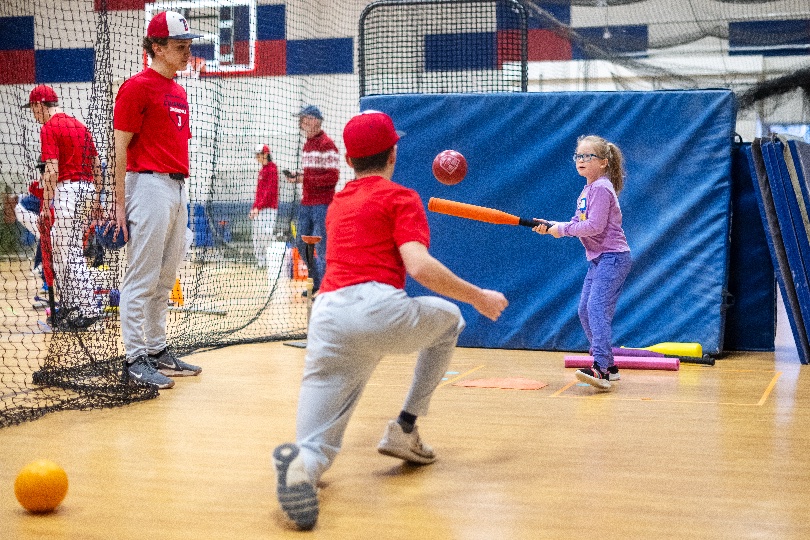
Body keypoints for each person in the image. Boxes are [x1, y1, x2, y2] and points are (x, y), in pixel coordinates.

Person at [272, 111, 509, 530]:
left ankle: (299, 469)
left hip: (327, 318)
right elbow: (417, 266)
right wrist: (479, 298)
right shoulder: (401, 197)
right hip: (377, 309)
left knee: (316, 447)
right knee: (450, 317)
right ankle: (405, 426)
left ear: (349, 160)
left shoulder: (338, 202)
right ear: (393, 153)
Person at [111, 10, 203, 390]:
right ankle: (135, 358)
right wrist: (119, 203)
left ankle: (157, 348)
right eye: (179, 46)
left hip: (177, 188)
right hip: (146, 186)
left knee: (165, 276)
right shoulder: (136, 87)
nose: (186, 52)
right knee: (142, 275)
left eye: (187, 46)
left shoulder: (179, 91)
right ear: (157, 47)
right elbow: (120, 148)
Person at [534, 135, 632, 390]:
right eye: (578, 156)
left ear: (603, 163)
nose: (581, 160)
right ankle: (609, 366)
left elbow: (594, 226)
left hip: (613, 258)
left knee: (597, 310)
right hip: (599, 260)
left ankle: (600, 367)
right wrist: (551, 226)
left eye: (588, 156)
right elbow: (577, 222)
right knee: (584, 311)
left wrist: (562, 229)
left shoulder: (600, 187)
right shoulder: (588, 189)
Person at [22, 84, 102, 329]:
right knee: (59, 247)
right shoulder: (79, 125)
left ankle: (89, 310)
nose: (34, 115)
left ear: (39, 105)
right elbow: (96, 164)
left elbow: (52, 170)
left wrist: (46, 205)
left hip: (68, 192)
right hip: (87, 190)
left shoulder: (49, 128)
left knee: (70, 253)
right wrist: (97, 198)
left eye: (33, 109)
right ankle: (68, 304)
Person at [287, 105, 340, 295]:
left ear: (316, 120)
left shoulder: (328, 145)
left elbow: (332, 178)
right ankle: (316, 282)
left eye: (305, 118)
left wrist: (304, 179)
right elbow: (311, 175)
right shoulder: (307, 145)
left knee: (322, 246)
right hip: (306, 204)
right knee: (302, 244)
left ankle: (327, 288)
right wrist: (298, 176)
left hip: (323, 204)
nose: (301, 122)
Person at [249, 143, 279, 268]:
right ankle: (261, 262)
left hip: (269, 209)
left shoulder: (272, 169)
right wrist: (254, 207)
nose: (257, 157)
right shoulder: (262, 170)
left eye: (259, 155)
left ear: (265, 154)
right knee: (256, 235)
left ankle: (271, 261)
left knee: (266, 234)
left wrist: (258, 207)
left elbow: (269, 191)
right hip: (259, 209)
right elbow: (259, 192)